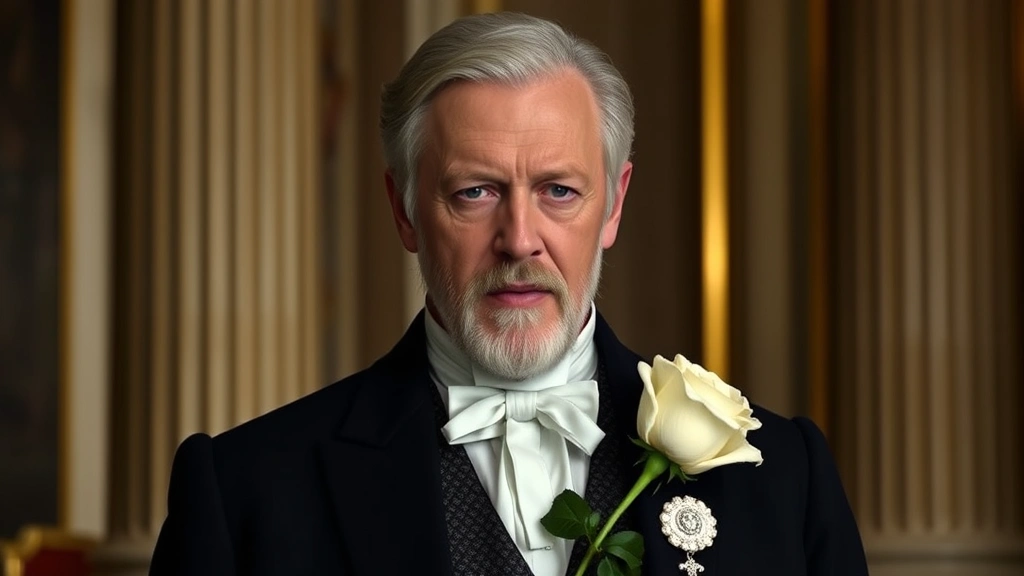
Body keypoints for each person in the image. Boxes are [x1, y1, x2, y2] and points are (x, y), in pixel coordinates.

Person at [149, 12, 867, 576]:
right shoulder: (246, 491)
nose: (520, 239)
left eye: (559, 191)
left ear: (614, 204)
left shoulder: (786, 480)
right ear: (404, 210)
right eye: (475, 192)